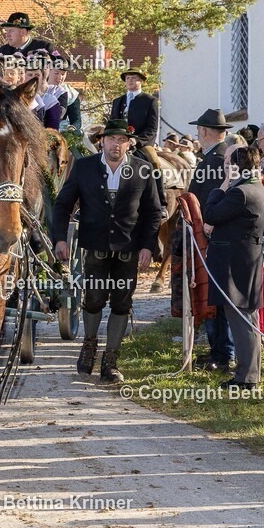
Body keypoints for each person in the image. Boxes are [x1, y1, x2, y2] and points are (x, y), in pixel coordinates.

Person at [52, 119, 161, 382]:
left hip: (129, 248)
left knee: (122, 303)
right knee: (93, 299)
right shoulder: (85, 167)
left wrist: (148, 245)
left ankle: (111, 360)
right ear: (102, 141)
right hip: (96, 247)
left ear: (129, 143)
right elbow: (63, 204)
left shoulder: (143, 170)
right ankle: (89, 346)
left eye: (122, 140)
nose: (116, 144)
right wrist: (60, 239)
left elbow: (153, 212)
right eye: (112, 139)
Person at [203, 144, 264, 387]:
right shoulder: (256, 187)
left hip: (236, 264)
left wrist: (222, 185)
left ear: (237, 166)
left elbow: (210, 214)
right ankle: (251, 373)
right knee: (248, 319)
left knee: (240, 319)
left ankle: (246, 377)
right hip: (245, 261)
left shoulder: (239, 192)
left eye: (230, 163)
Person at [186, 108, 235, 372]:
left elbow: (207, 200)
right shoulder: (215, 158)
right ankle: (218, 349)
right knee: (213, 296)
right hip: (210, 235)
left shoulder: (215, 160)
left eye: (198, 130)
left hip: (210, 236)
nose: (197, 134)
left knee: (216, 296)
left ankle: (223, 352)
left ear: (205, 132)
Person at [111, 70, 167, 219]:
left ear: (141, 81)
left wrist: (136, 140)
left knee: (154, 163)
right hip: (119, 141)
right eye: (128, 78)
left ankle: (161, 203)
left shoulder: (150, 101)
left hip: (141, 143)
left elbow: (152, 127)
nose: (129, 81)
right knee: (98, 160)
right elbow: (112, 124)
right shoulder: (118, 101)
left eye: (133, 78)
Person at [45, 51, 82, 131]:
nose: (60, 77)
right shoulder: (39, 88)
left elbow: (76, 120)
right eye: (56, 73)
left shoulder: (71, 93)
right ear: (49, 71)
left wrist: (72, 128)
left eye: (63, 74)